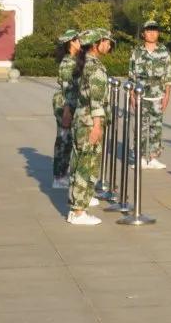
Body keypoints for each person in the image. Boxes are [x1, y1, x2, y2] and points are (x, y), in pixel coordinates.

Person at [67, 28, 113, 226]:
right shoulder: (95, 68)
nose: (109, 45)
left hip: (80, 119)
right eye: (106, 41)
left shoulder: (83, 63)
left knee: (79, 163)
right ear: (96, 44)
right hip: (89, 122)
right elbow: (96, 101)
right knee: (87, 165)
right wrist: (97, 126)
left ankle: (77, 207)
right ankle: (78, 212)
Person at [129, 20, 171, 169]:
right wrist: (131, 96)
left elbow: (168, 76)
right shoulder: (136, 52)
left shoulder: (164, 52)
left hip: (158, 96)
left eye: (154, 30)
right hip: (141, 96)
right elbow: (131, 76)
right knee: (140, 127)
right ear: (143, 33)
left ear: (158, 33)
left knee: (156, 128)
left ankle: (153, 157)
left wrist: (167, 95)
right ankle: (140, 157)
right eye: (149, 30)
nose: (152, 33)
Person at [51, 29, 81, 189]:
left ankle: (63, 173)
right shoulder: (68, 62)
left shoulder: (74, 59)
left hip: (69, 103)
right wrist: (67, 111)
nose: (80, 43)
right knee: (63, 140)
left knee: (68, 140)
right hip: (65, 105)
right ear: (71, 43)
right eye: (78, 40)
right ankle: (59, 176)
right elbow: (67, 88)